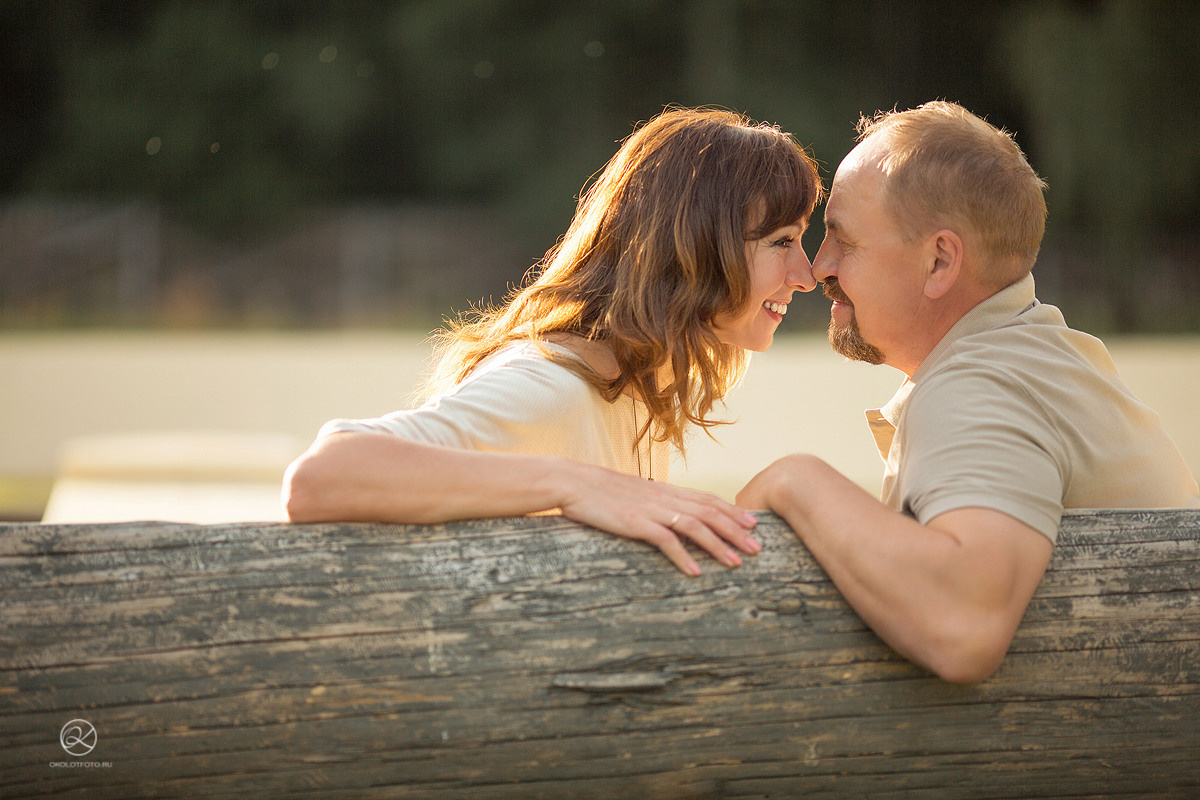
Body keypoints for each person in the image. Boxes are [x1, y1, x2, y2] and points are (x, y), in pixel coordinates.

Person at [737, 101, 1199, 683]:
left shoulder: (980, 383)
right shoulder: (1036, 358)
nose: (819, 266)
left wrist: (793, 480)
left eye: (843, 240)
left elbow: (964, 625)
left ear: (939, 261)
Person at [284, 107, 824, 577]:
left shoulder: (638, 381)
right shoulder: (550, 386)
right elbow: (321, 476)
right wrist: (572, 483)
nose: (806, 274)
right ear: (695, 248)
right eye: (782, 242)